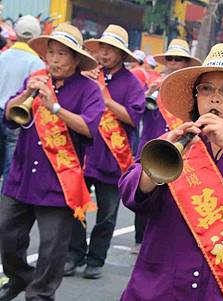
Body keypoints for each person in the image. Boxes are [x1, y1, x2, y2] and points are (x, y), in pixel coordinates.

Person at [119, 43, 223, 300]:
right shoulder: (174, 139)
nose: (214, 97)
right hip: (161, 283)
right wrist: (164, 156)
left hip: (220, 286)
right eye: (206, 88)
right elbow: (131, 193)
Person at [0, 23, 104, 301]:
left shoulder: (89, 90)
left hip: (58, 182)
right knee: (6, 235)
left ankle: (40, 294)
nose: (54, 59)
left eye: (61, 54)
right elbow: (9, 114)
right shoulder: (36, 78)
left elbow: (89, 127)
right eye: (51, 53)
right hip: (21, 176)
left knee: (51, 248)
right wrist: (26, 94)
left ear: (75, 59)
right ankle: (20, 276)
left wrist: (55, 108)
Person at [64, 24, 145, 279]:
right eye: (102, 48)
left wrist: (104, 97)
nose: (104, 53)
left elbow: (133, 118)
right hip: (83, 154)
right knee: (75, 207)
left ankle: (96, 259)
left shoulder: (132, 83)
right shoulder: (85, 75)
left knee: (107, 215)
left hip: (111, 159)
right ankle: (73, 254)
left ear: (122, 54)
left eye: (111, 49)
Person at [131, 39, 201, 254]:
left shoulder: (191, 92)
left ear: (187, 63)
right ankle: (140, 239)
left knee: (171, 196)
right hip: (152, 144)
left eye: (178, 59)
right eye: (169, 58)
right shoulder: (155, 81)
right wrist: (149, 93)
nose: (172, 63)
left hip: (177, 150)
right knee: (144, 189)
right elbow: (138, 113)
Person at [0, 15, 44, 185]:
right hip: (16, 116)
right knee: (10, 166)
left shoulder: (2, 56)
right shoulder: (36, 63)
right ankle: (4, 205)